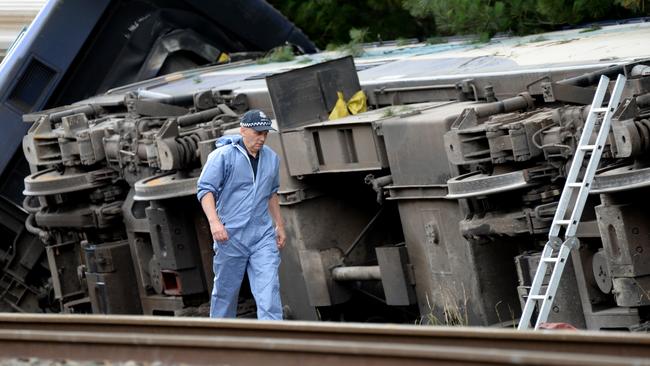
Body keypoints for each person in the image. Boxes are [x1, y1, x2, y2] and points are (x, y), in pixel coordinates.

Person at [197, 109, 286, 320]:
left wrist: (279, 225)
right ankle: (220, 341)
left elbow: (271, 193)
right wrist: (214, 223)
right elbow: (205, 190)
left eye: (265, 133)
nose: (262, 138)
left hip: (262, 235)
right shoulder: (222, 156)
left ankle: (275, 343)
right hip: (230, 234)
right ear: (243, 130)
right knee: (226, 294)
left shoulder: (271, 159)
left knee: (269, 291)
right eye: (257, 133)